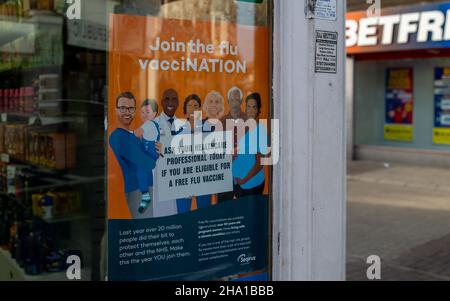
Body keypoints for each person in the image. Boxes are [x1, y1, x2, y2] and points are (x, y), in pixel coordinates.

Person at [109, 92, 158, 219]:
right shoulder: (118, 136)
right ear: (116, 110)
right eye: (122, 108)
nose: (127, 112)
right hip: (137, 191)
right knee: (146, 232)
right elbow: (148, 163)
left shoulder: (133, 135)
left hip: (147, 187)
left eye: (130, 108)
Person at [153, 89, 191, 217]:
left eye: (174, 99)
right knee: (164, 221)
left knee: (182, 220)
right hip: (161, 182)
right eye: (167, 99)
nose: (171, 102)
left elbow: (189, 156)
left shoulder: (185, 126)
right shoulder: (152, 125)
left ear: (178, 103)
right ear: (162, 102)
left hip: (180, 181)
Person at [233, 92, 269, 197]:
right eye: (248, 107)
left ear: (258, 110)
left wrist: (243, 180)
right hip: (240, 185)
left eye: (254, 107)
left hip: (251, 185)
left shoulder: (260, 131)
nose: (251, 110)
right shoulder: (244, 128)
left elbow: (259, 164)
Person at [218, 87, 247, 202]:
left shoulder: (249, 120)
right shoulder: (221, 122)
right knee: (224, 208)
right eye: (232, 100)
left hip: (244, 173)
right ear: (228, 102)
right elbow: (217, 148)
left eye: (237, 100)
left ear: (241, 102)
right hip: (226, 174)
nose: (234, 103)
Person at [134, 99, 160, 214]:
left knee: (140, 170)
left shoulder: (148, 124)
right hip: (150, 155)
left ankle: (145, 196)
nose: (144, 114)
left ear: (154, 114)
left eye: (147, 112)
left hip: (151, 156)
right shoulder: (153, 124)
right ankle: (147, 193)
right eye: (142, 112)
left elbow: (136, 133)